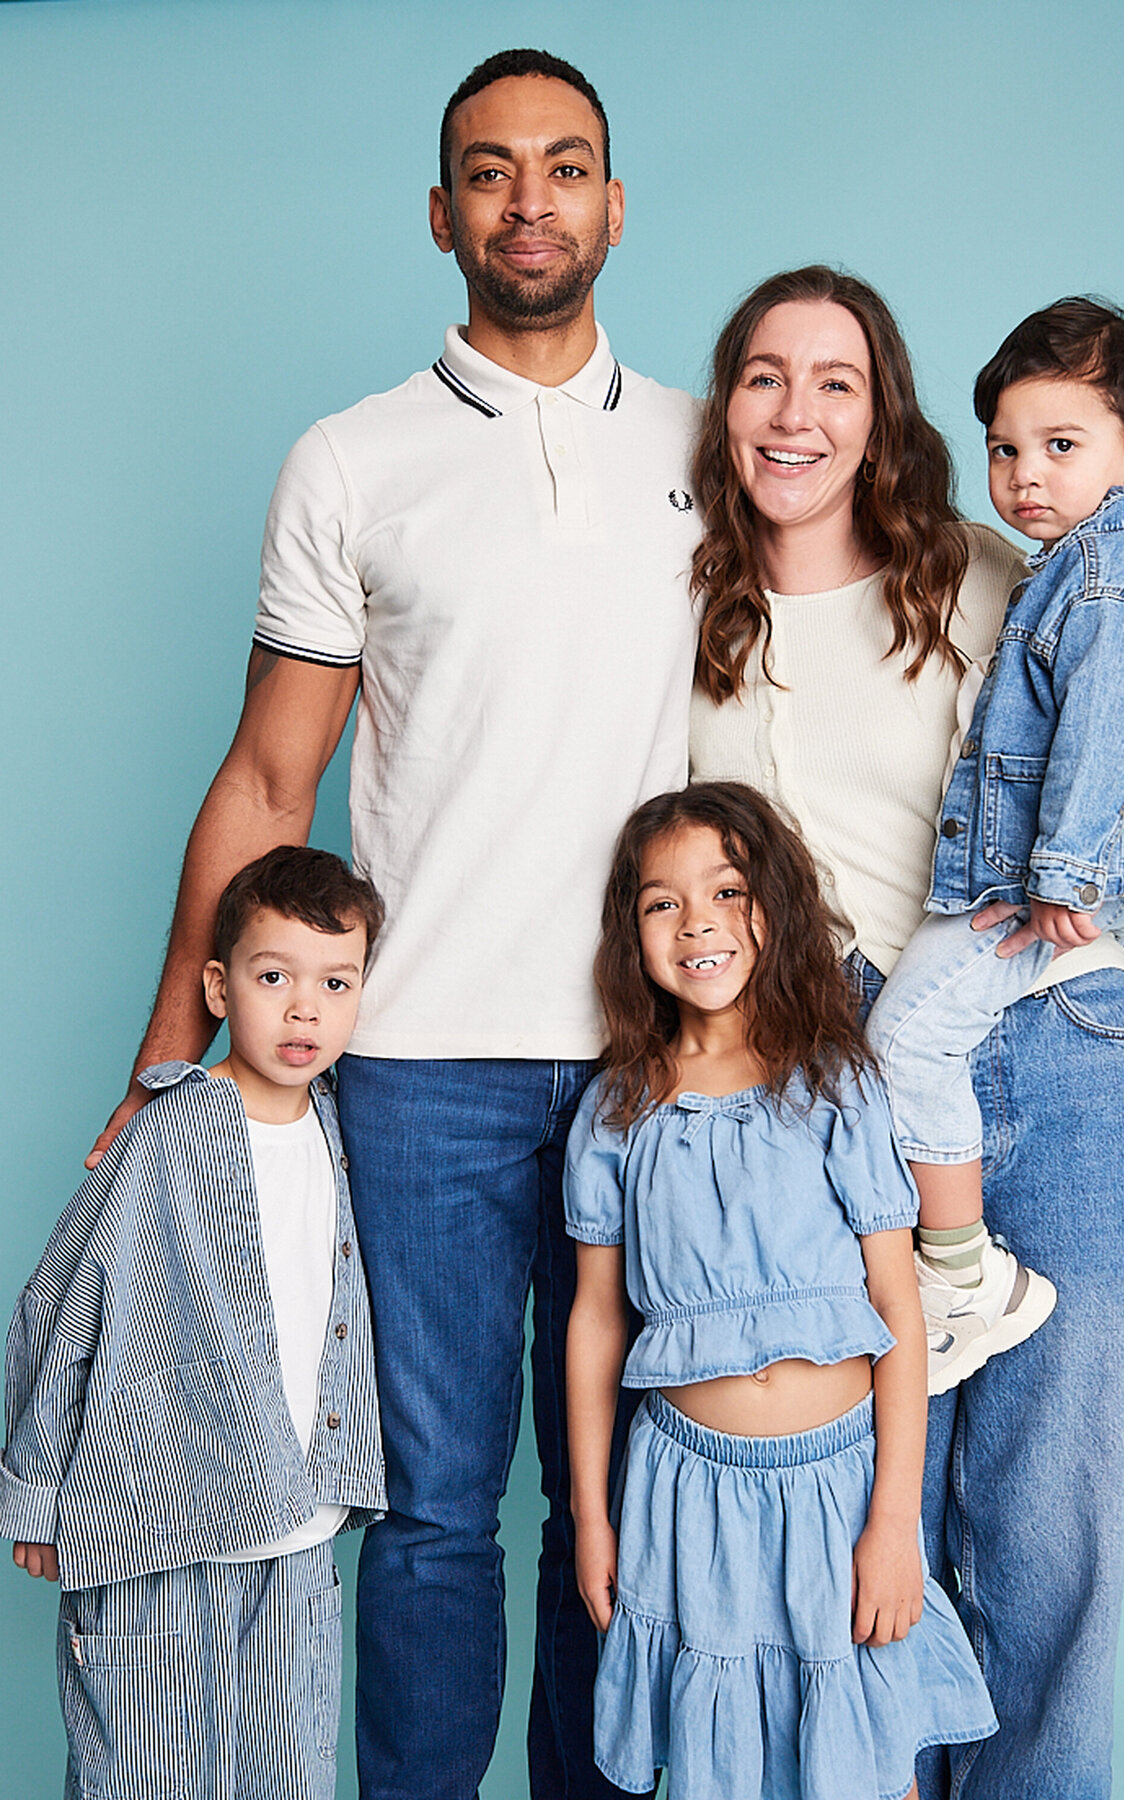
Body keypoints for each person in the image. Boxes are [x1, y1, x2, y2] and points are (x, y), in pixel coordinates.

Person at [85, 47, 698, 1800]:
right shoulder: (352, 461)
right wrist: (170, 1054)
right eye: (491, 172)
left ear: (615, 205)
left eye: (564, 167)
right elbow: (270, 779)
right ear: (442, 213)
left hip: (659, 1065)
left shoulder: (706, 444)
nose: (529, 202)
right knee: (432, 1515)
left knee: (620, 1499)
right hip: (423, 1068)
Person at [688, 267, 1124, 1800]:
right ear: (724, 409)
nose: (799, 413)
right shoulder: (676, 610)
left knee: (1050, 1559)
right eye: (765, 378)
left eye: (837, 381)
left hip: (1060, 1060)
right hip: (836, 1093)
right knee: (865, 1550)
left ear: (882, 411)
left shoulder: (997, 573)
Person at [564, 781, 997, 1800]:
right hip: (685, 1496)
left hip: (838, 1491)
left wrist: (894, 1523)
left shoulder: (835, 1084)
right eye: (662, 902)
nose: (697, 922)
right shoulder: (619, 1110)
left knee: (864, 1755)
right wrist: (591, 1517)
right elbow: (595, 1320)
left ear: (775, 908)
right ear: (631, 933)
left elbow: (897, 1306)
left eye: (726, 891)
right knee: (718, 1761)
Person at [1, 845, 387, 1800]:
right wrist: (37, 1493)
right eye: (274, 977)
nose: (305, 1010)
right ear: (219, 987)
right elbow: (62, 1304)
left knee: (287, 1776)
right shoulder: (168, 1130)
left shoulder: (341, 1128)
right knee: (139, 1775)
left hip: (293, 1538)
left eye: (335, 983)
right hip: (154, 1535)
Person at [864, 297, 1124, 1392]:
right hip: (1048, 870)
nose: (1025, 477)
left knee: (904, 1037)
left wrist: (1063, 873)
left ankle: (963, 1279)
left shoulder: (1112, 578)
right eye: (1006, 450)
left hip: (1037, 877)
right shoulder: (1066, 568)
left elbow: (1104, 730)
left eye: (1061, 447)